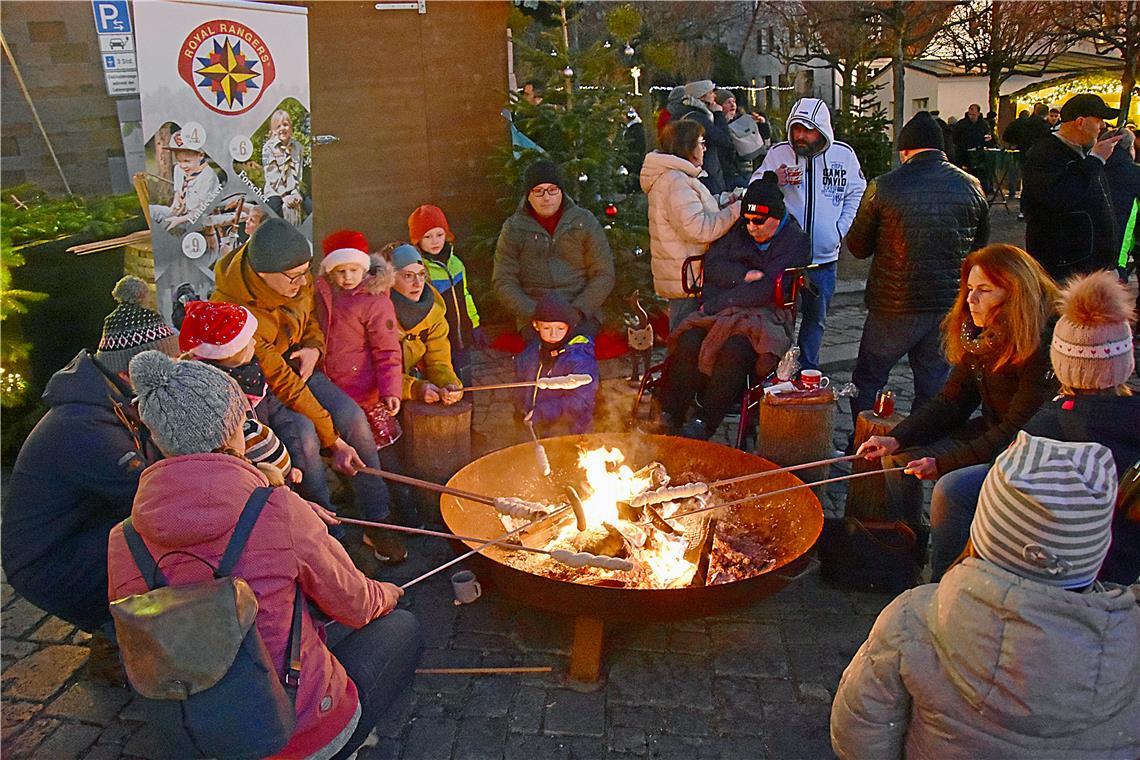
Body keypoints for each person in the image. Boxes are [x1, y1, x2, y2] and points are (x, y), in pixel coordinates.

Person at [109, 351, 423, 760]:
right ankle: (349, 744)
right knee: (403, 627)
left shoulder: (123, 539)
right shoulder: (276, 509)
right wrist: (389, 592)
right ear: (232, 430)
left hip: (201, 738)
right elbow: (357, 605)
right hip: (298, 733)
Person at [831, 433, 1139, 760]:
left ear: (984, 530)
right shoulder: (1132, 639)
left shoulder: (914, 618)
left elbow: (859, 737)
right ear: (1096, 546)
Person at [212, 217, 407, 564]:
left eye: (306, 272)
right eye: (294, 277)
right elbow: (282, 382)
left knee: (354, 418)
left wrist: (315, 346)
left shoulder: (295, 281)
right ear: (263, 274)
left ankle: (377, 519)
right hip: (268, 388)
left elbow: (310, 319)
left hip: (302, 367)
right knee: (305, 438)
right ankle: (332, 536)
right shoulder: (238, 309)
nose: (303, 283)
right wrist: (334, 441)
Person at [2, 277, 178, 650]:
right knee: (162, 541)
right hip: (50, 564)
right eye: (168, 369)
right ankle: (129, 633)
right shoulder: (85, 426)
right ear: (133, 373)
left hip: (74, 537)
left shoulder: (108, 398)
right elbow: (153, 498)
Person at [930, 271, 1139, 584]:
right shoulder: (1128, 413)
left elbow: (1002, 469)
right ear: (1125, 361)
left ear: (1060, 362)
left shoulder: (1049, 424)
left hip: (1053, 569)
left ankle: (944, 585)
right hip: (1118, 568)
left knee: (954, 488)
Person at [858, 244, 1059, 537]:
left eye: (985, 290)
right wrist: (897, 437)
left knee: (949, 488)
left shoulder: (1038, 344)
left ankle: (948, 570)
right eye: (969, 288)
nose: (971, 299)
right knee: (895, 458)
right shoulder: (982, 335)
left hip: (1025, 451)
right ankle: (905, 544)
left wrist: (943, 464)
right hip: (994, 432)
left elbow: (1016, 429)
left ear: (1015, 292)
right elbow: (952, 401)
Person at [846, 112, 990, 436]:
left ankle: (862, 443)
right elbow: (979, 248)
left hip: (893, 304)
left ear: (904, 150)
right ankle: (917, 444)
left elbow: (857, 247)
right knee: (932, 384)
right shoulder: (972, 186)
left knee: (869, 377)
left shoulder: (884, 186)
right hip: (947, 303)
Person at [657, 173, 811, 439]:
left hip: (766, 315)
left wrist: (722, 298)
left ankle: (705, 422)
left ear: (777, 217)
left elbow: (766, 290)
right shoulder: (739, 230)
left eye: (760, 222)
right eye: (748, 220)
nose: (752, 228)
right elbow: (714, 266)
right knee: (690, 338)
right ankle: (670, 413)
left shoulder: (795, 241)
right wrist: (743, 275)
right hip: (724, 310)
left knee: (736, 349)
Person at [753, 97, 867, 371]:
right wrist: (774, 181)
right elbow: (753, 190)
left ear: (822, 130)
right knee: (780, 322)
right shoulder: (778, 154)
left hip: (824, 260)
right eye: (796, 129)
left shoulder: (843, 155)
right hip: (784, 260)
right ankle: (775, 376)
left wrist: (841, 229)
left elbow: (856, 191)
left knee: (816, 321)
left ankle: (807, 373)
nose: (800, 136)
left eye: (808, 129)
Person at [313, 229, 405, 499]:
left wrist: (391, 390)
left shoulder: (374, 301)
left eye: (354, 270)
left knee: (380, 454)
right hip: (335, 388)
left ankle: (400, 503)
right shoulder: (326, 293)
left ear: (364, 268)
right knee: (347, 451)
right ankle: (357, 497)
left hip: (366, 392)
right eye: (341, 271)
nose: (348, 277)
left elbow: (387, 350)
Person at [492, 159, 615, 337]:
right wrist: (534, 312)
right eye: (539, 191)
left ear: (561, 192)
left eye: (552, 190)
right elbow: (503, 280)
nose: (546, 197)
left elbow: (603, 273)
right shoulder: (513, 228)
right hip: (535, 314)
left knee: (578, 354)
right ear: (528, 195)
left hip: (579, 311)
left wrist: (579, 310)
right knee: (537, 358)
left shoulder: (584, 221)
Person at [177, 300, 296, 483]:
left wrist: (291, 462)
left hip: (276, 464)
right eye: (248, 341)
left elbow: (277, 413)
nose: (255, 342)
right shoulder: (209, 396)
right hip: (246, 479)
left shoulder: (250, 373)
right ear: (229, 353)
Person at [640, 119, 741, 328]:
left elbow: (694, 208)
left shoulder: (678, 178)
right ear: (687, 147)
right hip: (688, 276)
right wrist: (735, 211)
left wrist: (723, 201)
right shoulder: (676, 181)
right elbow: (699, 229)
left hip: (684, 273)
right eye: (701, 143)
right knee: (685, 336)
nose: (705, 148)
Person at [1021, 93, 1122, 281]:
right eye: (1099, 120)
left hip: (1089, 267)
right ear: (1081, 122)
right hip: (1065, 269)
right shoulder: (1046, 153)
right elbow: (1058, 197)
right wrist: (1096, 159)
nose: (1102, 126)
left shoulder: (1082, 152)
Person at [408, 204, 485, 386]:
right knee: (444, 382)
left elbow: (465, 294)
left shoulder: (456, 264)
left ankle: (468, 412)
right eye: (427, 236)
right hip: (438, 341)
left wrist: (474, 323)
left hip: (461, 336)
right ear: (417, 240)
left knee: (465, 380)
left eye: (439, 235)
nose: (435, 241)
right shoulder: (421, 271)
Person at [514, 293, 599, 436]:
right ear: (536, 325)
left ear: (570, 327)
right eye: (547, 328)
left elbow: (581, 401)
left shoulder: (580, 358)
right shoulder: (531, 353)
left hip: (570, 430)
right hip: (535, 426)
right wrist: (521, 407)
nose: (553, 334)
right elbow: (520, 383)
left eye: (560, 328)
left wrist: (541, 412)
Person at [389, 243, 463, 405]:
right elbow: (374, 372)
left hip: (418, 385)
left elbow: (439, 362)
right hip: (383, 395)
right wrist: (414, 388)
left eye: (421, 274)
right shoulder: (376, 313)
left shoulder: (434, 313)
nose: (418, 283)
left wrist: (448, 383)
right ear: (391, 278)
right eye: (408, 276)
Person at [148, 131, 221, 232]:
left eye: (187, 161)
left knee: (168, 228)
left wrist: (179, 220)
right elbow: (178, 195)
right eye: (179, 160)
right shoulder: (179, 169)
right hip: (181, 214)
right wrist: (174, 208)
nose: (182, 165)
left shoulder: (208, 176)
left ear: (201, 155)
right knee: (151, 210)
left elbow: (201, 211)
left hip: (201, 218)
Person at [674, 79, 734, 194]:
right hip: (705, 171)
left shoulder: (680, 113)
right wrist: (718, 114)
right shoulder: (698, 118)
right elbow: (724, 140)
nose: (714, 95)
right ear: (702, 96)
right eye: (711, 92)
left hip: (688, 167)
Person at [262, 109, 310, 225]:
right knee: (274, 210)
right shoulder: (268, 148)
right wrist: (284, 195)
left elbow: (298, 172)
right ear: (273, 130)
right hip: (275, 191)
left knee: (311, 208)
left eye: (285, 125)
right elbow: (272, 175)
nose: (282, 129)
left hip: (293, 189)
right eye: (278, 126)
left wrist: (295, 192)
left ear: (290, 127)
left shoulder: (297, 147)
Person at [1104, 128, 1140, 274]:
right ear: (1130, 147)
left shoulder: (1093, 167)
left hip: (1089, 250)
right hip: (1118, 253)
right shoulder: (1135, 173)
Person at [952, 104, 995, 193]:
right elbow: (955, 138)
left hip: (979, 155)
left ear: (978, 113)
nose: (971, 115)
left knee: (981, 176)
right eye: (970, 112)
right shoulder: (962, 124)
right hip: (964, 154)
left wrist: (986, 144)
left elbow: (988, 137)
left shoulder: (984, 124)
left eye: (973, 113)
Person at [1000, 109, 1031, 198]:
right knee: (1025, 173)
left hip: (1014, 150)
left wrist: (1012, 143)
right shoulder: (1028, 125)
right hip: (1025, 151)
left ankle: (1012, 192)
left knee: (1012, 172)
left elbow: (1005, 136)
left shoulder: (1013, 124)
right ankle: (1024, 192)